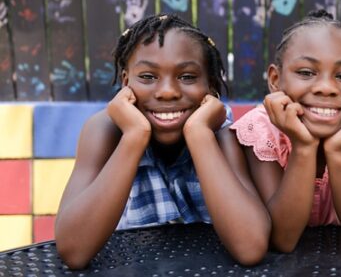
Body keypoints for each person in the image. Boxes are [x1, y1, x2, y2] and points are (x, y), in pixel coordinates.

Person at [55, 14, 270, 269]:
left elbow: (251, 247)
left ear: (211, 87)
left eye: (187, 77)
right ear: (125, 83)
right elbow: (73, 251)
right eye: (147, 76)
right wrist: (135, 136)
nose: (167, 91)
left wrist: (199, 134)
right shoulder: (105, 131)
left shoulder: (223, 134)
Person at [231, 9, 341, 253]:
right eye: (306, 73)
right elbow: (282, 239)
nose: (326, 88)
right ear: (275, 79)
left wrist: (339, 151)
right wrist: (303, 147)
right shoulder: (262, 129)